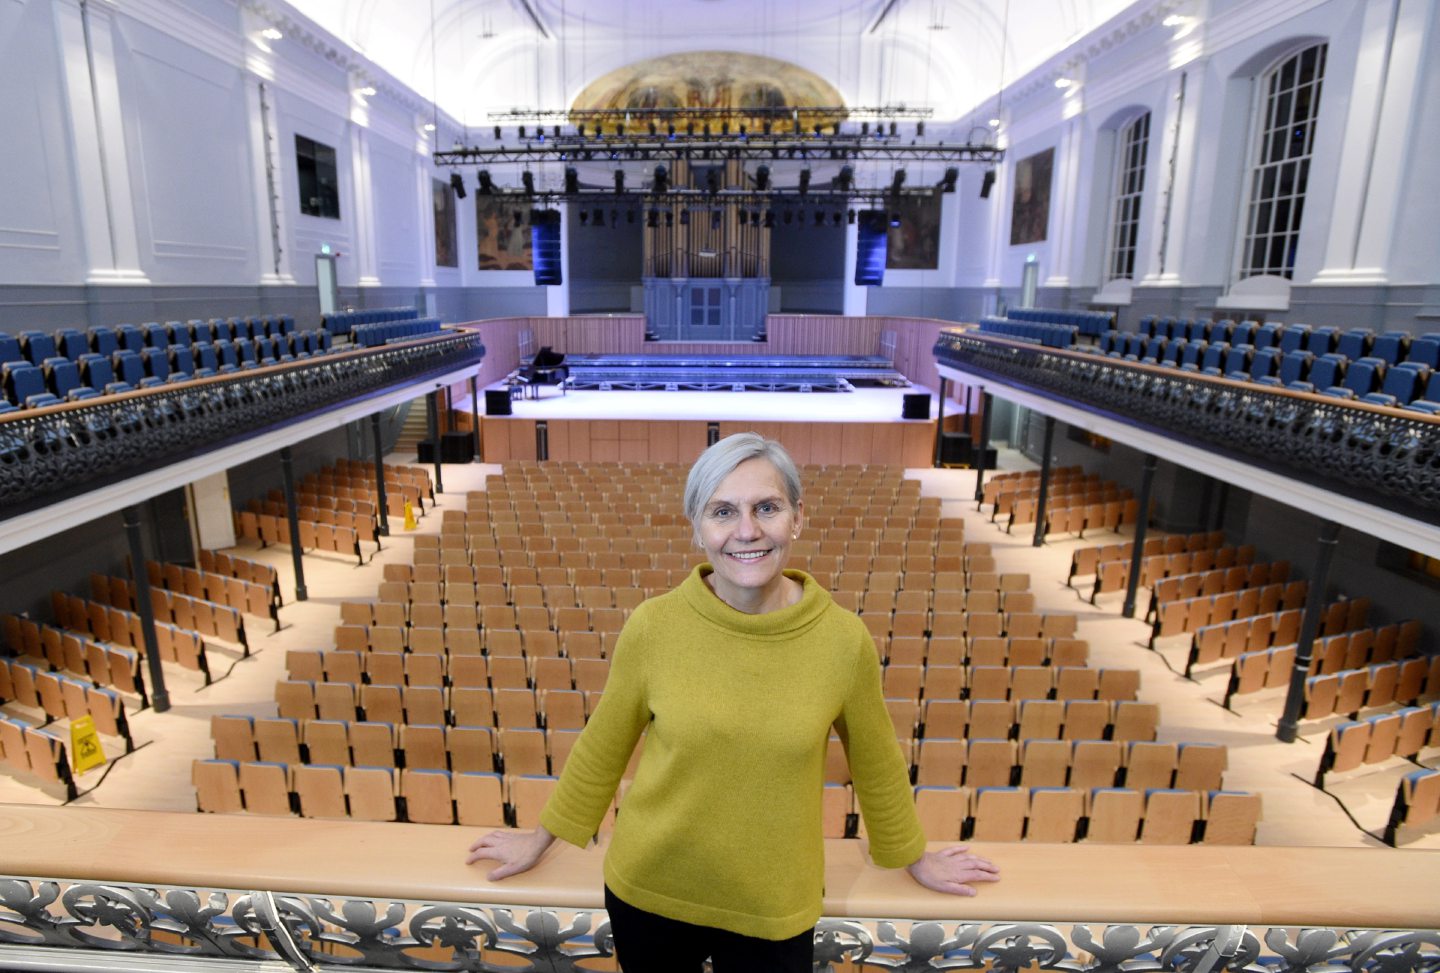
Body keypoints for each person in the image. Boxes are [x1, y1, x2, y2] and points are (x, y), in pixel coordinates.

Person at [467, 433, 999, 972]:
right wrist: (539, 840)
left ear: (797, 518)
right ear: (698, 526)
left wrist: (913, 857)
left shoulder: (843, 641)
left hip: (773, 903)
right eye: (723, 511)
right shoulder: (654, 626)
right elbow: (603, 746)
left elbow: (877, 761)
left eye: (766, 507)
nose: (747, 530)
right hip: (652, 892)